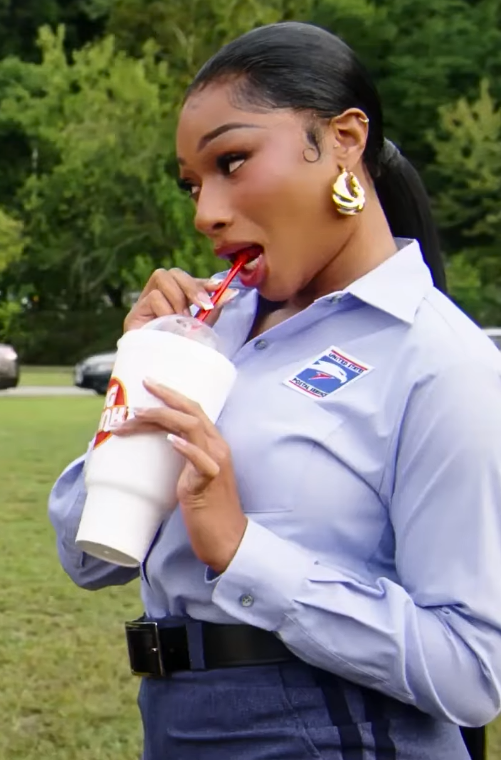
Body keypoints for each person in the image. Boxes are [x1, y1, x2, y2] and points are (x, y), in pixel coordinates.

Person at [47, 21, 501, 760]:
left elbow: (473, 671)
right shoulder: (212, 328)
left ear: (343, 141)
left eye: (233, 161)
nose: (205, 212)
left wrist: (242, 551)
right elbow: (89, 558)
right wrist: (135, 384)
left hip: (335, 734)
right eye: (193, 183)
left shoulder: (440, 361)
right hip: (175, 724)